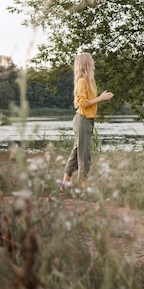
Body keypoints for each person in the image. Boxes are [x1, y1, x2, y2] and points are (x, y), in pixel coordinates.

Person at [60, 53, 114, 194]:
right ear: (86, 64)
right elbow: (82, 103)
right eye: (92, 60)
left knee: (77, 153)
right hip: (82, 120)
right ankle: (84, 188)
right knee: (84, 155)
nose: (94, 62)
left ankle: (64, 185)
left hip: (87, 121)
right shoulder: (82, 81)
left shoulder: (89, 82)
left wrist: (100, 97)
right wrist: (101, 98)